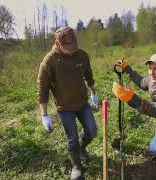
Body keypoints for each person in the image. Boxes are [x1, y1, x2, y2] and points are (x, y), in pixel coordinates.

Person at [37, 26, 98, 180]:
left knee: (92, 131)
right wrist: (44, 115)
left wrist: (93, 92)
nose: (71, 50)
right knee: (72, 140)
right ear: (57, 44)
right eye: (67, 47)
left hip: (82, 103)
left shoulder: (82, 55)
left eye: (73, 45)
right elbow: (42, 88)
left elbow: (88, 74)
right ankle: (77, 166)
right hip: (64, 107)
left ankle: (82, 149)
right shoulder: (49, 61)